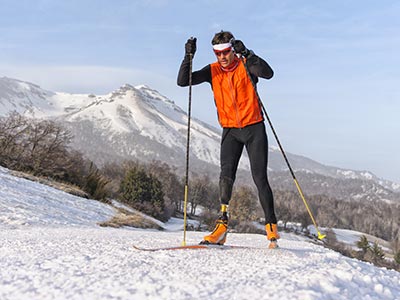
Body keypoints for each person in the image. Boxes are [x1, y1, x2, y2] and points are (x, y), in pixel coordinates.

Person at [177, 31, 280, 248]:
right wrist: (188, 58)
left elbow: (268, 73)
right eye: (218, 53)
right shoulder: (212, 71)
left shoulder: (245, 64)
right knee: (225, 177)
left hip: (254, 127)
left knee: (260, 178)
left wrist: (248, 53)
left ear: (232, 49)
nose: (222, 57)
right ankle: (222, 228)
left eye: (225, 52)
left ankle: (271, 229)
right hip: (230, 130)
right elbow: (182, 82)